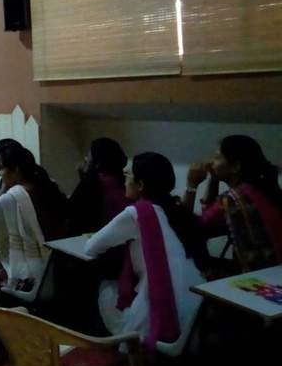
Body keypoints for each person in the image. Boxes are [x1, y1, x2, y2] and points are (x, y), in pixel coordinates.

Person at [84, 152, 205, 349]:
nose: (125, 181)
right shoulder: (177, 210)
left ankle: (113, 356)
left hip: (160, 312)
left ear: (140, 185)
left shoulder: (138, 213)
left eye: (128, 176)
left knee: (106, 288)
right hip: (194, 313)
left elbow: (91, 247)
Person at [0, 140, 67, 300]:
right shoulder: (49, 185)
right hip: (57, 263)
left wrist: (2, 191)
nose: (0, 174)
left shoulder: (12, 197)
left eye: (3, 170)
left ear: (16, 170)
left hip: (30, 272)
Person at [185, 135, 282, 273]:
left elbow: (191, 229)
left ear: (235, 166)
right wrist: (213, 180)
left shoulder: (233, 199)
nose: (212, 162)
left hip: (256, 277)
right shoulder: (265, 189)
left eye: (217, 157)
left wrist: (191, 185)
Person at [66, 138, 129, 236]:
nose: (86, 158)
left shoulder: (92, 182)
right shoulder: (123, 180)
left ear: (97, 161)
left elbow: (71, 211)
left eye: (89, 155)